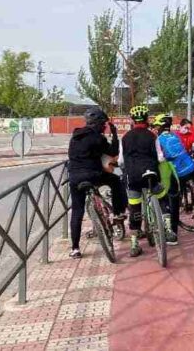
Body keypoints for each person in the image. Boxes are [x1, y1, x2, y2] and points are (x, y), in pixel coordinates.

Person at [66, 107, 126, 259]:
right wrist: (114, 134)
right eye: (104, 124)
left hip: (74, 177)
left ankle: (75, 248)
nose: (104, 127)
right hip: (93, 175)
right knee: (115, 180)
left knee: (77, 211)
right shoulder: (98, 138)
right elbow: (112, 152)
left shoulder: (74, 137)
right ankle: (119, 212)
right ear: (98, 123)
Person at [122, 105, 175, 257]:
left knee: (134, 208)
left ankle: (134, 244)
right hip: (150, 173)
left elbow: (120, 160)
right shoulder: (153, 136)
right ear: (146, 119)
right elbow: (160, 157)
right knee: (161, 196)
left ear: (132, 120)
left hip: (133, 177)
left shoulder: (125, 137)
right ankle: (168, 229)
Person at [155, 114, 194, 245]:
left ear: (159, 127)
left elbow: (160, 158)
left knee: (173, 200)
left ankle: (173, 233)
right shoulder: (176, 135)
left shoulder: (158, 140)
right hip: (190, 167)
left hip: (176, 173)